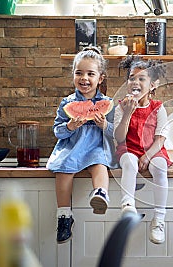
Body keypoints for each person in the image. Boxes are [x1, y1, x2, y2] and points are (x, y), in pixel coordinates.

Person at [46, 47, 116, 244]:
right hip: (72, 147)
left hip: (96, 147)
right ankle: (64, 216)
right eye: (79, 73)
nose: (84, 78)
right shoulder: (67, 103)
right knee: (63, 170)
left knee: (100, 163)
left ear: (100, 79)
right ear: (73, 75)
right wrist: (70, 125)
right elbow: (57, 131)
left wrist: (104, 125)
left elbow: (117, 133)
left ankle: (101, 194)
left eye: (90, 74)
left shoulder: (107, 103)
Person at [114, 56, 170, 244]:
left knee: (160, 168)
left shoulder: (158, 107)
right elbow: (119, 138)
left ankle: (159, 219)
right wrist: (128, 113)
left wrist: (147, 155)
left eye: (141, 78)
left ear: (153, 85)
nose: (135, 82)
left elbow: (161, 137)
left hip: (153, 150)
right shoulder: (121, 107)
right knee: (130, 163)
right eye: (132, 78)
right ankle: (128, 205)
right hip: (128, 149)